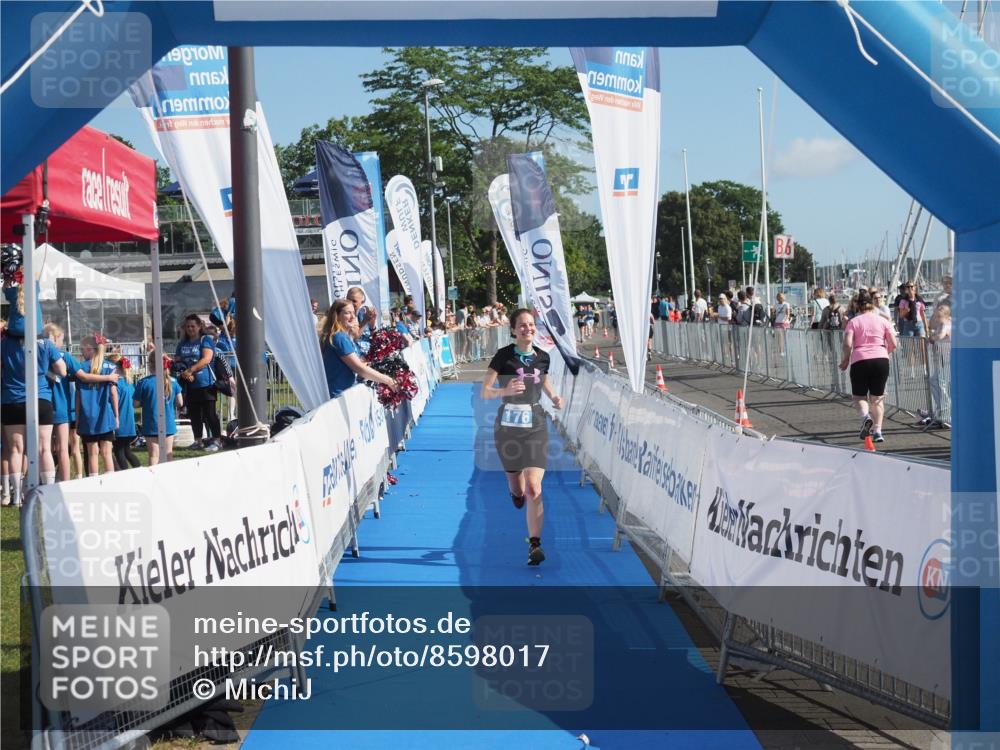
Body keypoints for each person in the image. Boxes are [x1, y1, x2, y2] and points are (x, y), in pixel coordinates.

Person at [481, 308, 563, 566]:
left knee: (534, 488)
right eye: (523, 325)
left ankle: (535, 545)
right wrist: (503, 390)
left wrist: (554, 397)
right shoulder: (504, 356)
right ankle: (514, 492)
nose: (528, 328)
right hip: (508, 428)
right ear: (514, 330)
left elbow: (544, 381)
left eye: (531, 324)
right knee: (518, 488)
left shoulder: (543, 357)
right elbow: (485, 391)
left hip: (536, 424)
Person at [1, 314, 67, 502]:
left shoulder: (4, 344)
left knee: (15, 449)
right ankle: (48, 492)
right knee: (44, 448)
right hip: (41, 397)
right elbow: (62, 370)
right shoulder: (46, 344)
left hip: (12, 399)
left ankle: (16, 497)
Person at [838, 289, 898, 443]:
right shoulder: (883, 321)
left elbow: (847, 343)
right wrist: (886, 352)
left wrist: (845, 359)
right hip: (881, 358)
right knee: (877, 398)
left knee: (859, 396)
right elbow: (894, 343)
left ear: (857, 305)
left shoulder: (854, 322)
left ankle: (866, 417)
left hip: (860, 359)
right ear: (872, 304)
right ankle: (878, 431)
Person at [319, 299, 399, 399]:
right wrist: (388, 380)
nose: (353, 317)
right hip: (339, 397)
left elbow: (357, 364)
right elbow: (359, 369)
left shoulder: (343, 336)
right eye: (348, 313)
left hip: (344, 394)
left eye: (353, 313)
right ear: (337, 316)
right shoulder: (339, 337)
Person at [175, 314, 221, 452]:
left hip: (206, 383)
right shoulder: (182, 343)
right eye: (188, 326)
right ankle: (198, 441)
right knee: (195, 414)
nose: (190, 329)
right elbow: (178, 360)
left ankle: (217, 440)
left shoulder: (205, 340)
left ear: (199, 326)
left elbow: (207, 358)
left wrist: (191, 370)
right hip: (190, 385)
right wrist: (184, 371)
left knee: (210, 413)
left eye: (193, 326)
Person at [76, 334, 119, 476]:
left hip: (88, 416)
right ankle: (111, 484)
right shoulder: (110, 367)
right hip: (105, 415)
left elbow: (78, 397)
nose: (81, 352)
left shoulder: (81, 368)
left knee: (92, 453)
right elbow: (113, 394)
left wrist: (77, 418)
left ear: (89, 349)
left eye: (82, 349)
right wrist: (116, 416)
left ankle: (93, 482)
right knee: (107, 452)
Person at [134, 353, 184, 465]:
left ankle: (154, 480)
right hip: (168, 423)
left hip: (151, 423)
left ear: (151, 364)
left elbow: (135, 404)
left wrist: (146, 401)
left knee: (154, 455)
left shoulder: (143, 382)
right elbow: (180, 402)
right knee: (168, 453)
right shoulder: (173, 381)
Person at [107, 349, 140, 470]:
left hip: (119, 422)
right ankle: (139, 470)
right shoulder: (129, 382)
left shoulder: (116, 384)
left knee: (119, 451)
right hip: (129, 423)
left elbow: (112, 401)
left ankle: (124, 474)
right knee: (127, 451)